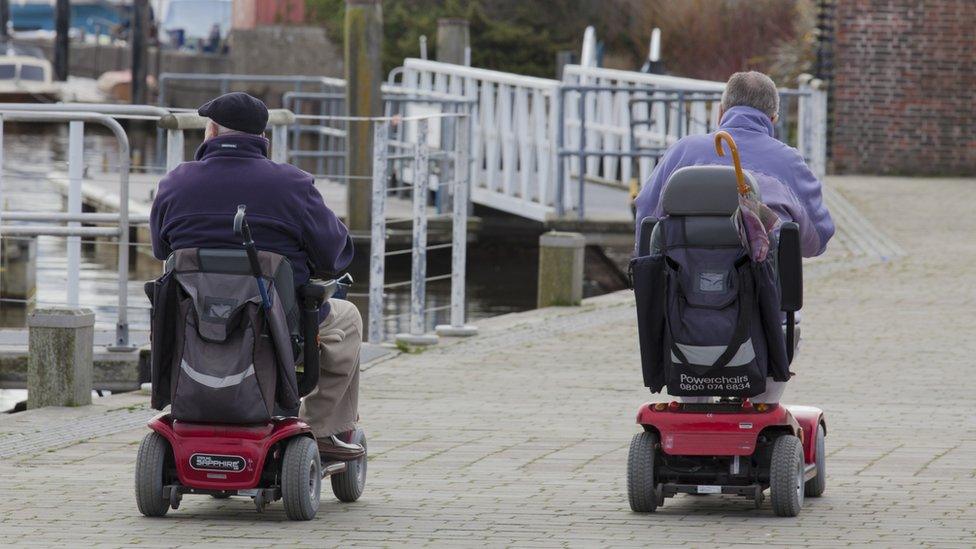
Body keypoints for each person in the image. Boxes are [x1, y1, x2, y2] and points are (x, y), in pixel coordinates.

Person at [149, 92, 364, 461]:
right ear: (264, 138)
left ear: (211, 132)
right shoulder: (293, 184)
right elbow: (335, 256)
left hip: (194, 321)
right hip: (277, 323)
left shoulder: (175, 182)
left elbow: (160, 248)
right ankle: (323, 428)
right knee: (348, 318)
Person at [634, 71, 836, 403]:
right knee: (778, 340)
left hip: (682, 321)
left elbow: (646, 223)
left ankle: (693, 411)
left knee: (690, 372)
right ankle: (762, 409)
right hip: (766, 325)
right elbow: (817, 241)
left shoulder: (682, 153)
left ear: (721, 111)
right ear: (772, 119)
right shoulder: (788, 162)